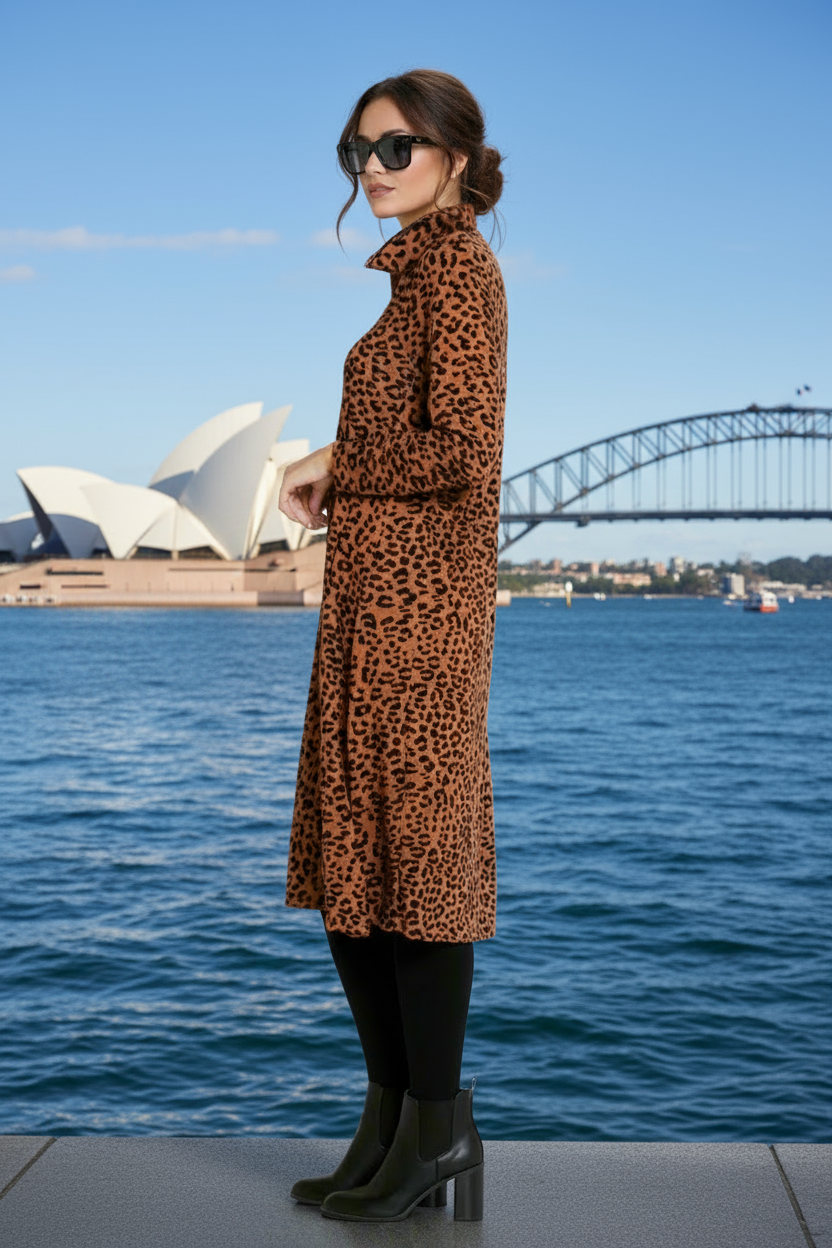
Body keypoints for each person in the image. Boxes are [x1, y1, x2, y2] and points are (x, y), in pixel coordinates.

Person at [278, 68, 507, 1224]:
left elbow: (461, 452)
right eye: (357, 150)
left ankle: (434, 1135)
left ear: (455, 158)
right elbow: (408, 433)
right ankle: (386, 1125)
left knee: (415, 876)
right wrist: (339, 453)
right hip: (371, 612)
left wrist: (332, 465)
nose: (372, 168)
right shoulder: (411, 285)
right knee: (357, 871)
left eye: (397, 148)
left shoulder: (458, 272)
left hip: (420, 627)